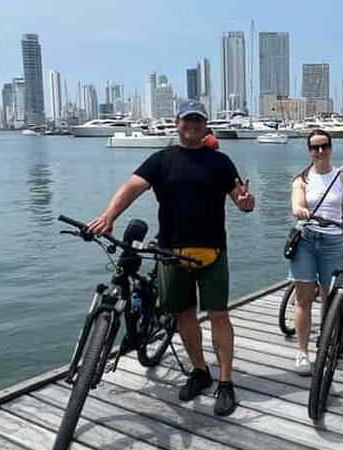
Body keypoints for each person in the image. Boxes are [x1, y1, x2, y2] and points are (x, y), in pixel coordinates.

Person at [87, 100, 255, 417]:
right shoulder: (161, 160)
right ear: (177, 122)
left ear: (206, 126)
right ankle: (200, 371)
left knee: (219, 315)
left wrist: (247, 202)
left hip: (213, 252)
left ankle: (226, 382)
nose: (193, 125)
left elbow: (242, 201)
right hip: (171, 253)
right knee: (184, 316)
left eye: (199, 120)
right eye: (187, 119)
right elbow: (132, 187)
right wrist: (109, 216)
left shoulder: (220, 162)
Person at [289, 129, 343, 376]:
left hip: (334, 241)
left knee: (329, 297)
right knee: (304, 298)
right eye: (314, 147)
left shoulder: (342, 179)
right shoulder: (301, 179)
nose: (320, 151)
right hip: (306, 240)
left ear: (330, 148)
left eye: (324, 146)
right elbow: (296, 202)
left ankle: (326, 339)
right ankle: (303, 351)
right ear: (309, 151)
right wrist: (300, 210)